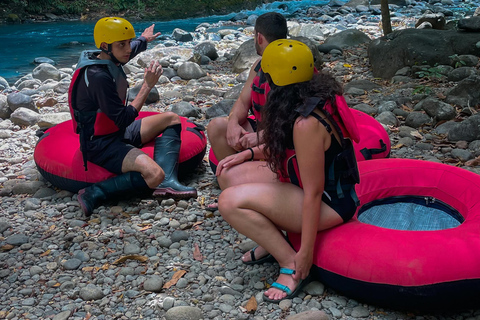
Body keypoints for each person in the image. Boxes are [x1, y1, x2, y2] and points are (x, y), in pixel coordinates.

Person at [218, 39, 361, 303]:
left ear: (274, 80)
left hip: (332, 203)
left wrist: (304, 252)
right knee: (230, 176)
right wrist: (247, 154)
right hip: (310, 188)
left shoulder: (306, 123)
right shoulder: (306, 99)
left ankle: (290, 264)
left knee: (228, 201)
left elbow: (314, 192)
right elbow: (291, 151)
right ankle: (271, 242)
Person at [69, 17, 196, 217]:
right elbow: (123, 118)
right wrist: (147, 85)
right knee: (154, 175)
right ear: (105, 46)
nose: (128, 49)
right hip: (100, 144)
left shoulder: (108, 55)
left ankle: (168, 183)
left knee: (171, 118)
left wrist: (144, 39)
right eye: (122, 44)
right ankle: (93, 192)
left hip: (117, 132)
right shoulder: (97, 76)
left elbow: (131, 49)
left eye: (128, 42)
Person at [206, 12, 288, 184]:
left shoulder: (291, 67)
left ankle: (242, 188)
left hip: (284, 140)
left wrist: (261, 137)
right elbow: (243, 101)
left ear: (258, 37)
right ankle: (232, 187)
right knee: (217, 126)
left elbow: (293, 123)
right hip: (263, 133)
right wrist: (233, 123)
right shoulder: (259, 66)